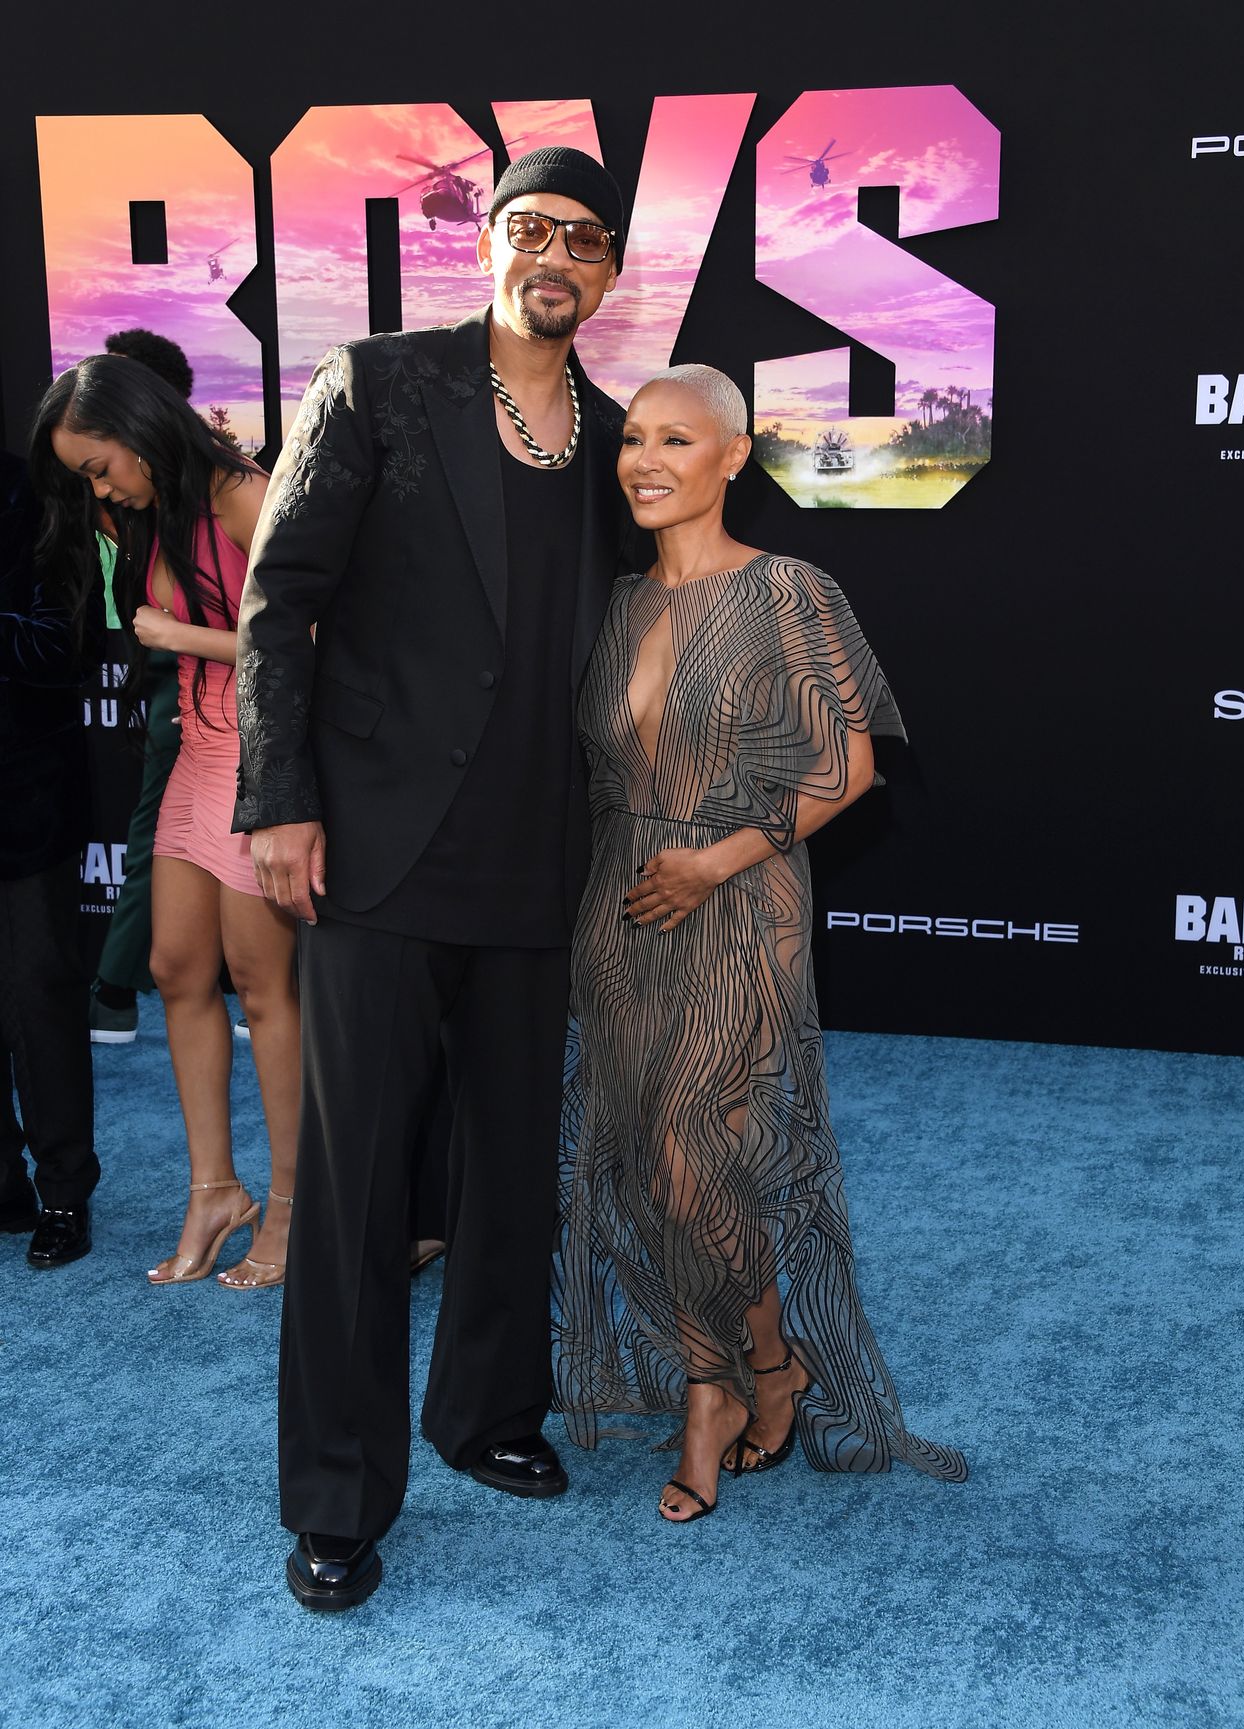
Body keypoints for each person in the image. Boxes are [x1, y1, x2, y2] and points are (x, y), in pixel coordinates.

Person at [234, 145, 640, 1611]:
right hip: (380, 851)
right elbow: (281, 603)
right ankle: (338, 1494)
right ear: (491, 244)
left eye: (587, 241)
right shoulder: (381, 381)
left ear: (610, 270)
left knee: (511, 1163)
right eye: (536, 229)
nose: (560, 259)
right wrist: (276, 802)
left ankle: (487, 1412)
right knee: (354, 1192)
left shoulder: (614, 439)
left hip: (544, 856)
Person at [554, 365, 969, 1522]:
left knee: (696, 1159)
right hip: (622, 907)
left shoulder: (788, 588)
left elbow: (849, 767)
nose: (642, 460)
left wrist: (712, 861)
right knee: (650, 1168)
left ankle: (710, 1394)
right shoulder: (619, 603)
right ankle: (762, 1362)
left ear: (731, 457)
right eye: (630, 439)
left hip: (735, 899)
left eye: (673, 440)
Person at [29, 355, 300, 1290]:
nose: (100, 487)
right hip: (194, 745)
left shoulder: (243, 496)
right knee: (175, 967)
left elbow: (307, 646)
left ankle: (298, 1207)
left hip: (257, 753)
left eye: (101, 464)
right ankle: (214, 1189)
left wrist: (179, 636)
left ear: (141, 430)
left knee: (264, 986)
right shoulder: (157, 516)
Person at [0, 448, 101, 1267]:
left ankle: (64, 1190)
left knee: (39, 997)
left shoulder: (33, 496)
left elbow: (58, 645)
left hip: (22, 798)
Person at [87, 328, 191, 1046]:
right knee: (161, 829)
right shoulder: (118, 491)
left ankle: (117, 987)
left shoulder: (202, 484)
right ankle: (118, 988)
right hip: (164, 674)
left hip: (206, 674)